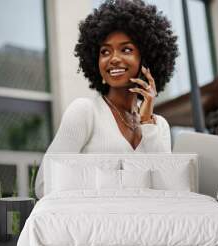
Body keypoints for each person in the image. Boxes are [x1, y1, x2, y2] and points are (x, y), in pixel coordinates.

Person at [35, 0, 178, 198]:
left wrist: (147, 123)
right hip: (96, 223)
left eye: (126, 49)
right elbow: (45, 184)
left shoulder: (159, 126)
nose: (113, 58)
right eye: (105, 51)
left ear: (145, 60)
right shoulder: (85, 111)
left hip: (145, 225)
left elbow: (170, 191)